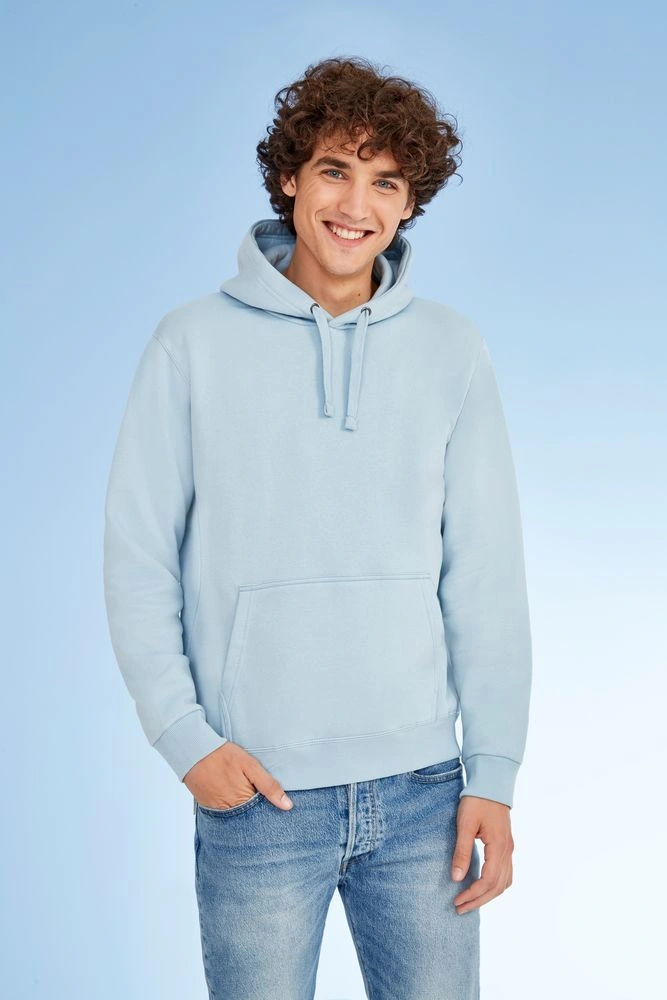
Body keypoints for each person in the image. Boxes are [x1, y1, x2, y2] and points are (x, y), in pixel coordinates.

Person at [103, 55, 532, 1000]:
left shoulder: (451, 351)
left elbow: (486, 578)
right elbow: (139, 556)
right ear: (289, 177)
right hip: (258, 794)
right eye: (335, 170)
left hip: (425, 794)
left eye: (386, 182)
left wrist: (492, 775)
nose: (356, 205)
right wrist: (183, 737)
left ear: (409, 204)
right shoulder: (191, 342)